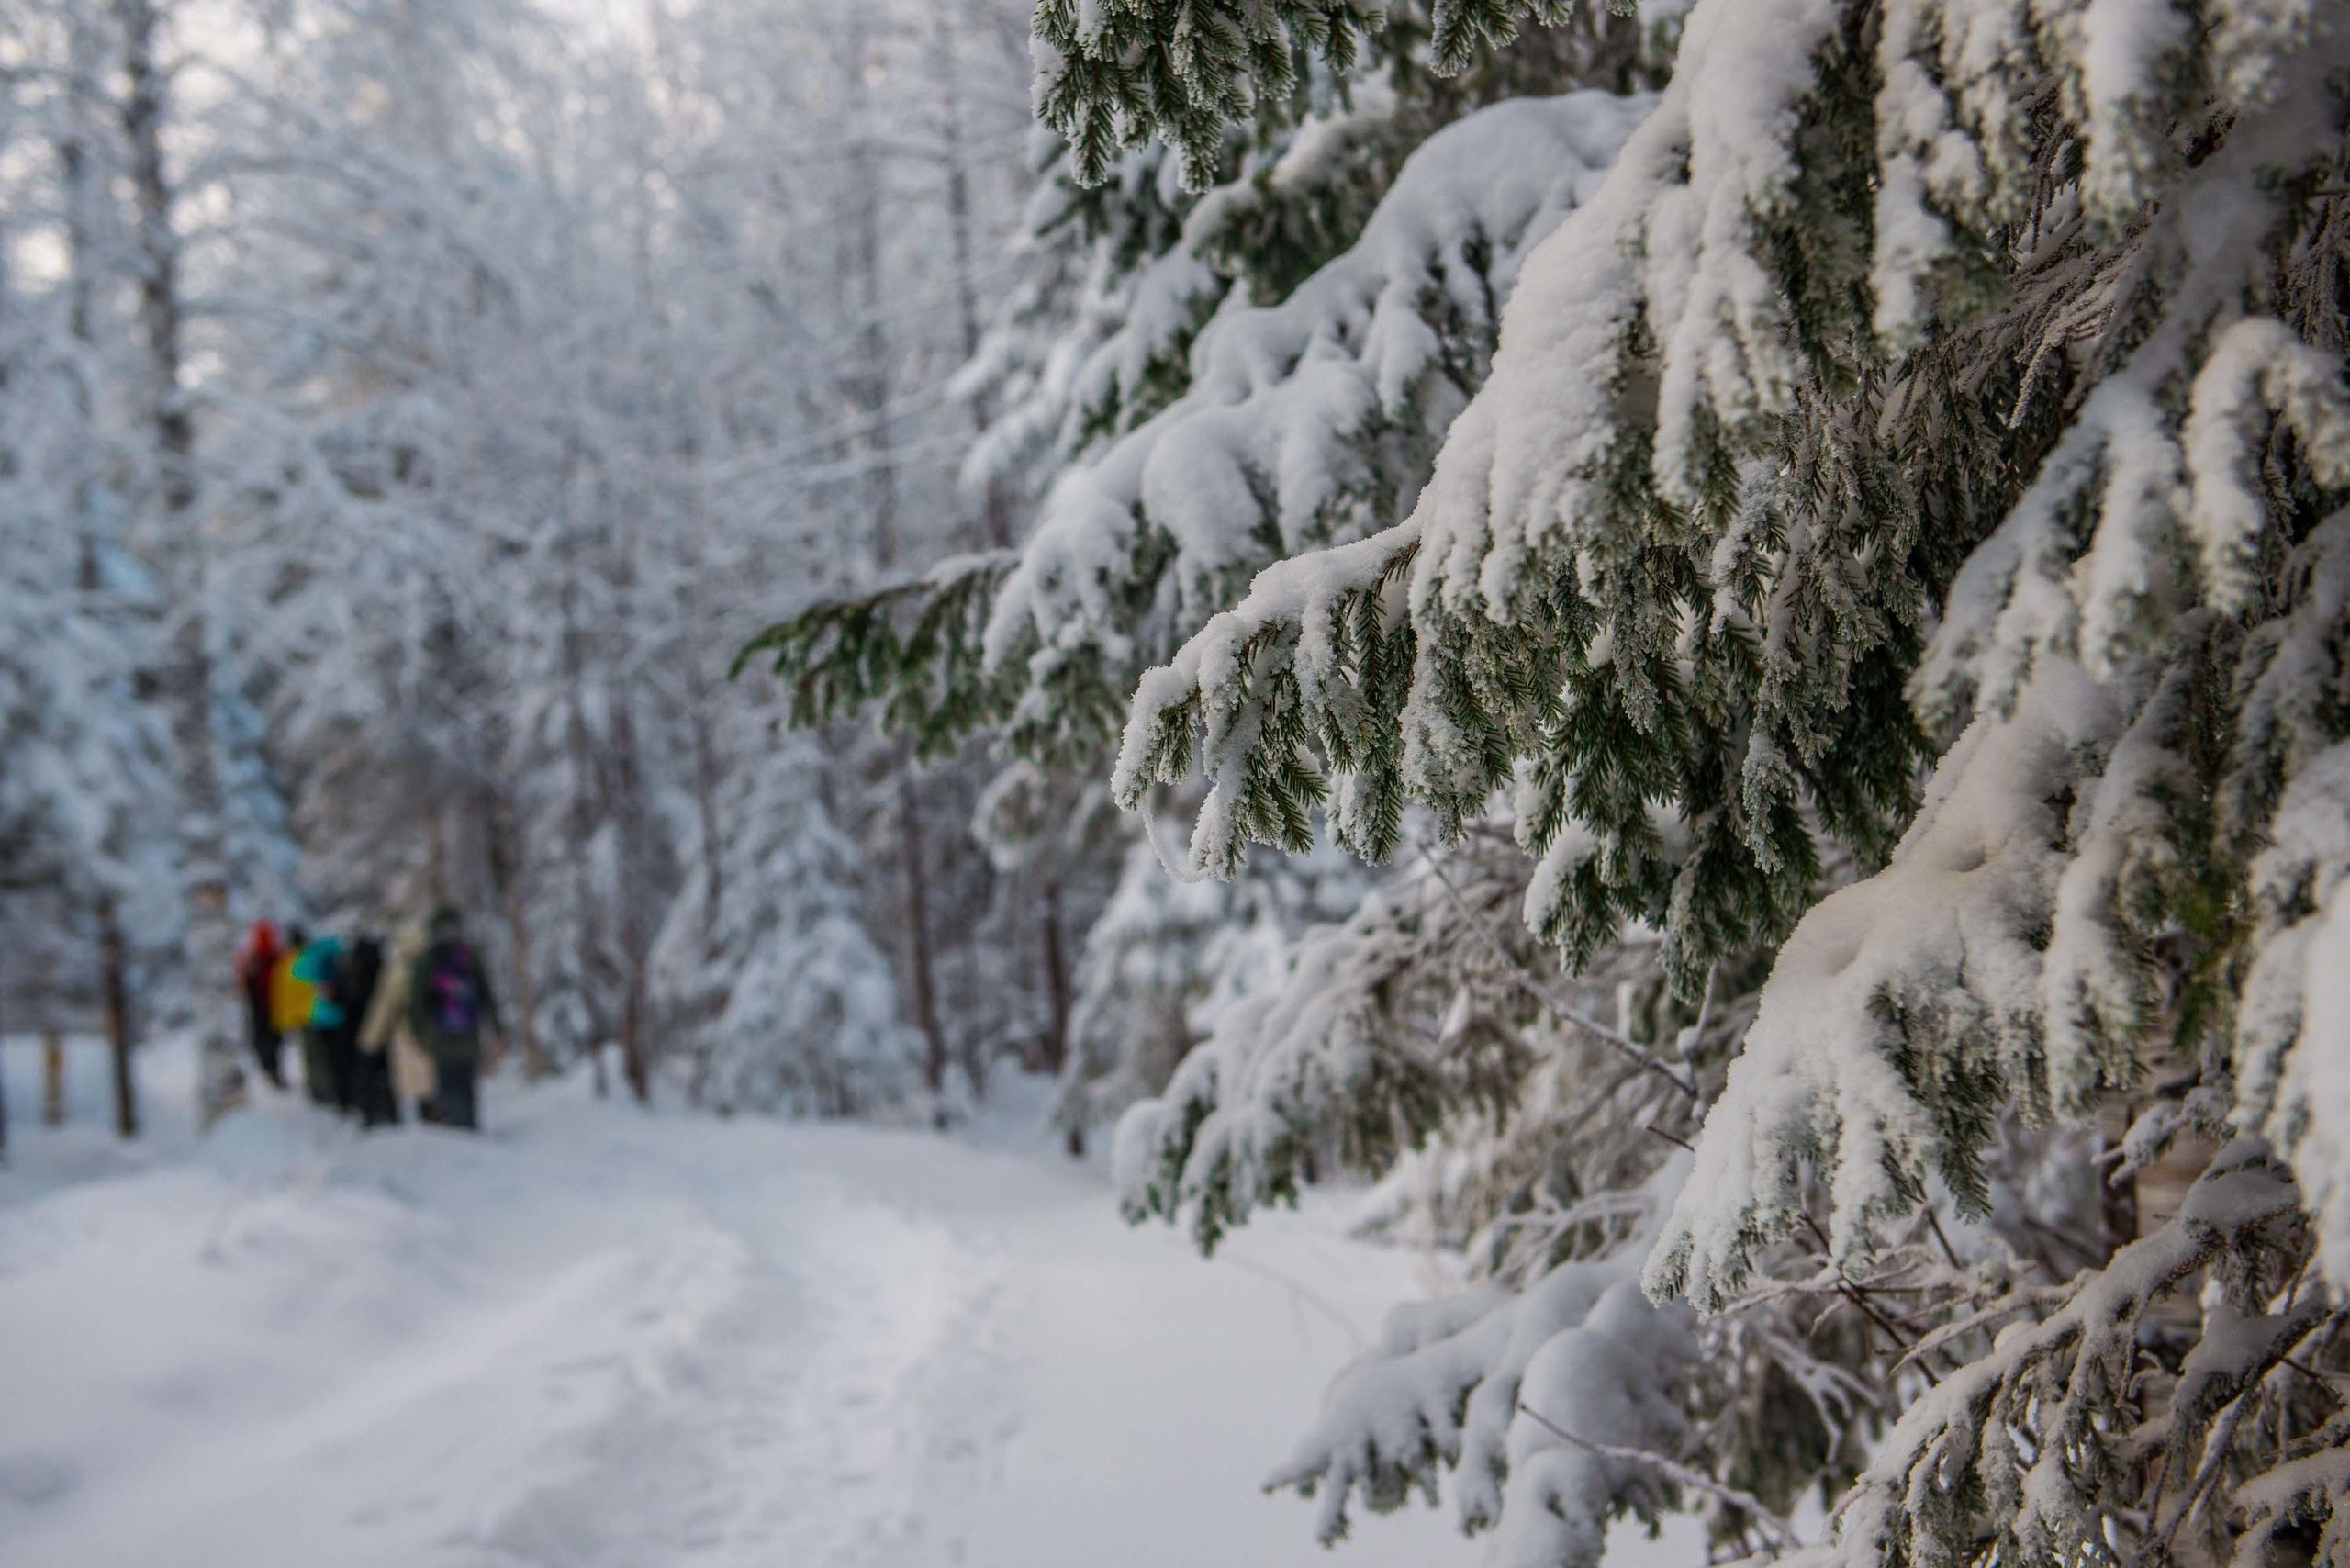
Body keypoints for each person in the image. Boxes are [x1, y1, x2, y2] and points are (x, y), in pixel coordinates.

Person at [407, 907, 501, 1131]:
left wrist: (418, 1032)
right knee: (467, 1084)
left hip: (439, 1035)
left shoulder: (427, 960)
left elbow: (417, 1001)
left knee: (447, 1083)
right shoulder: (469, 955)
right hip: (468, 1033)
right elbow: (486, 994)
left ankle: (456, 1132)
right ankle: (469, 1128)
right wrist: (497, 1028)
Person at [337, 935, 396, 1126]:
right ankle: (388, 1112)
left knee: (365, 1074)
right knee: (384, 1073)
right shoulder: (383, 971)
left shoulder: (354, 973)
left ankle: (370, 1113)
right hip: (383, 1034)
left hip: (362, 1035)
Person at [289, 930, 349, 1111]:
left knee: (326, 1060)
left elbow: (296, 972)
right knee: (341, 1059)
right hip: (341, 1015)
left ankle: (333, 1096)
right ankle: (343, 1095)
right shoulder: (336, 954)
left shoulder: (312, 956)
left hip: (320, 1016)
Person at [232, 921, 286, 1088]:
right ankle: (271, 1069)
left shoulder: (273, 956)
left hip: (271, 1007)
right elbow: (244, 983)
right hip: (263, 1007)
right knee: (267, 1040)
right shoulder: (257, 957)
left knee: (272, 1040)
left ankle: (273, 1069)